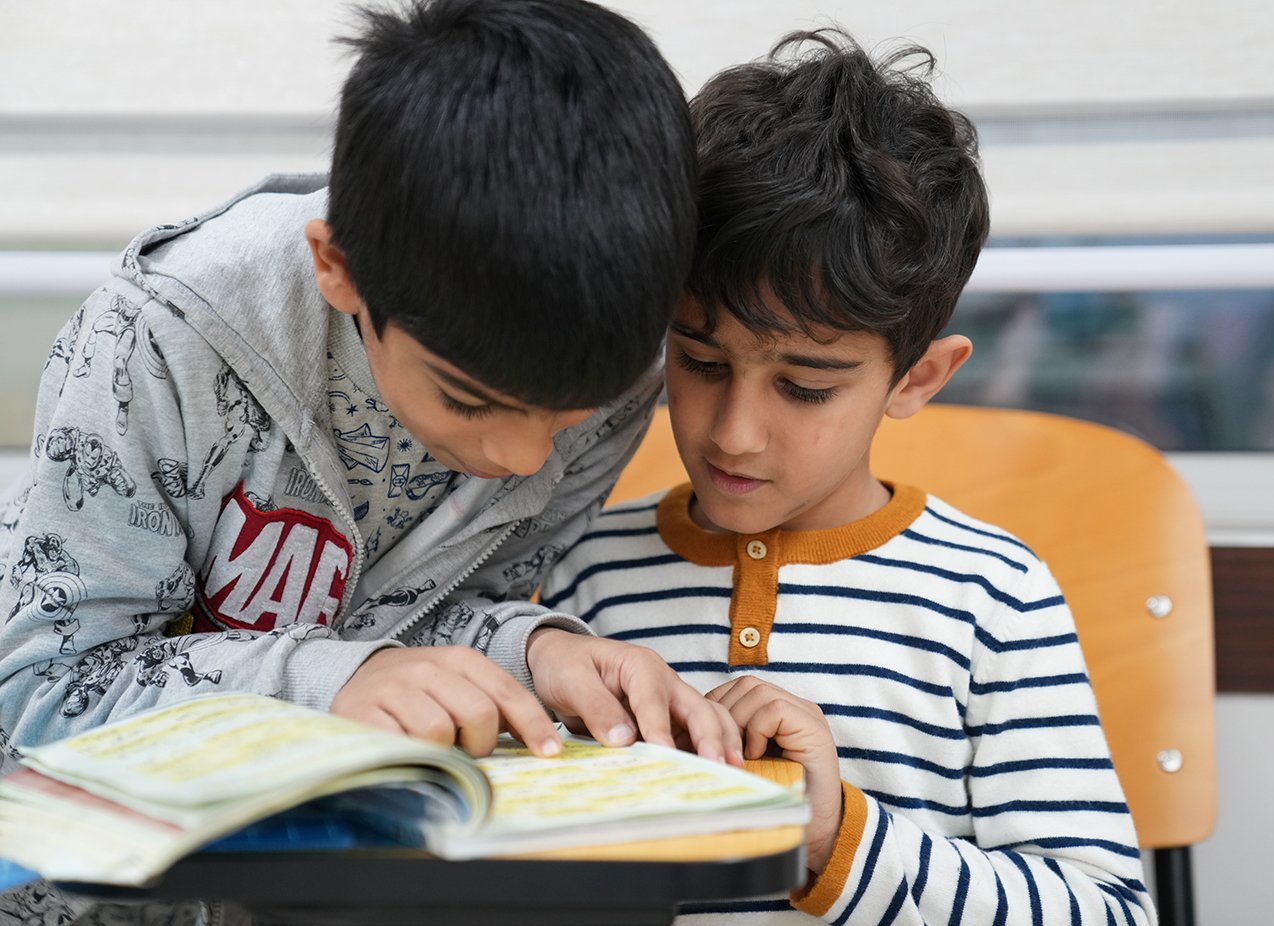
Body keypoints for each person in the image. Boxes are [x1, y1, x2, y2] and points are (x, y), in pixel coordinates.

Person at [0, 0, 742, 921]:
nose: (520, 459)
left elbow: (426, 621)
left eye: (572, 417)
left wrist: (534, 651)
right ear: (338, 267)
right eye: (468, 400)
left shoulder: (615, 357)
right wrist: (328, 683)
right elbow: (40, 697)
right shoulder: (161, 339)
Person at [541, 30, 1157, 925]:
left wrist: (836, 836)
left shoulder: (992, 596)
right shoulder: (583, 572)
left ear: (917, 379)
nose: (733, 434)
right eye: (700, 362)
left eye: (804, 386)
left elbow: (1107, 912)